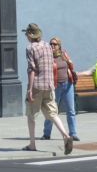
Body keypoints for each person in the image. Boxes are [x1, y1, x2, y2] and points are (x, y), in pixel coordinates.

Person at [22, 23, 73, 154]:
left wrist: (30, 89)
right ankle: (66, 135)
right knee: (53, 113)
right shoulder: (47, 46)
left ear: (30, 35)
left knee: (31, 115)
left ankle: (32, 144)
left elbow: (32, 69)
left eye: (27, 34)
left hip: (37, 85)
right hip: (49, 85)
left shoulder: (30, 48)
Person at [41, 36, 79, 142]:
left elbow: (70, 67)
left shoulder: (64, 55)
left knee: (71, 110)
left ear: (59, 46)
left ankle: (73, 133)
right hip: (55, 86)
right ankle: (46, 133)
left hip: (68, 85)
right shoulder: (48, 57)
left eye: (55, 44)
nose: (52, 46)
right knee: (52, 111)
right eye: (51, 44)